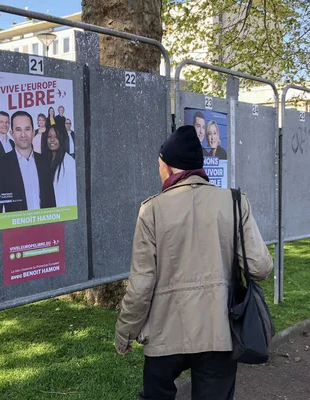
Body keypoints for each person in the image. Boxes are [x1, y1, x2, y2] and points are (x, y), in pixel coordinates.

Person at [114, 125, 273, 400]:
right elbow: (260, 267)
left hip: (165, 334)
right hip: (219, 331)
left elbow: (140, 286)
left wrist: (125, 332)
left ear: (168, 167)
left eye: (160, 165)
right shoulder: (234, 202)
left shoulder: (151, 210)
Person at [0, 111, 55, 213]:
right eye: (18, 130)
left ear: (33, 132)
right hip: (16, 227)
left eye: (27, 129)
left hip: (45, 226)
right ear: (11, 133)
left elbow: (51, 200)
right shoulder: (1, 165)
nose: (23, 135)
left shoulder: (44, 161)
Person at [45, 126, 77, 207]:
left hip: (62, 214)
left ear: (61, 139)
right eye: (49, 136)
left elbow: (72, 196)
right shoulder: (44, 161)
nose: (52, 139)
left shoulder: (69, 162)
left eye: (56, 136)